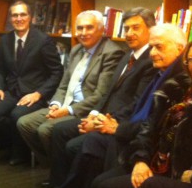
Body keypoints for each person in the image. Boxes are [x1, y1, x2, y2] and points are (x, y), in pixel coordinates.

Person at [25, 24, 190, 188]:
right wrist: (104, 120)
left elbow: (154, 127)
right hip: (136, 138)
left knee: (99, 172)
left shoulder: (178, 84)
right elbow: (138, 110)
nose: (153, 52)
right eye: (152, 47)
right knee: (91, 149)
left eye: (159, 47)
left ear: (180, 49)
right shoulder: (160, 74)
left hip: (145, 147)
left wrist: (117, 129)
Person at [32, 7, 157, 188]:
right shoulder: (127, 56)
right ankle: (57, 185)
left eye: (135, 28)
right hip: (101, 115)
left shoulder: (150, 61)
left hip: (118, 122)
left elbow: (137, 103)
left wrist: (101, 120)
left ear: (151, 29)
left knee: (72, 143)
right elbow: (107, 93)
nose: (129, 33)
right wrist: (94, 113)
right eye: (126, 29)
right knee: (59, 131)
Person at [17, 10, 125, 164]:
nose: (83, 33)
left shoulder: (112, 53)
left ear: (101, 30)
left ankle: (60, 167)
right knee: (24, 123)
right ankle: (52, 163)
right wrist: (56, 104)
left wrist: (67, 110)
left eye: (89, 28)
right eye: (79, 28)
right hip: (65, 104)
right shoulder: (76, 50)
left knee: (45, 129)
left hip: (85, 109)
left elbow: (101, 95)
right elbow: (64, 85)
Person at [0, 1, 63, 165]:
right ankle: (17, 142)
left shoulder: (43, 41)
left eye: (23, 14)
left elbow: (57, 72)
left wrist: (39, 93)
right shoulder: (5, 40)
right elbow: (0, 70)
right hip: (12, 91)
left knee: (16, 115)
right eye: (15, 15)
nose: (19, 18)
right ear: (10, 19)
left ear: (30, 17)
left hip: (35, 94)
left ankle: (20, 151)